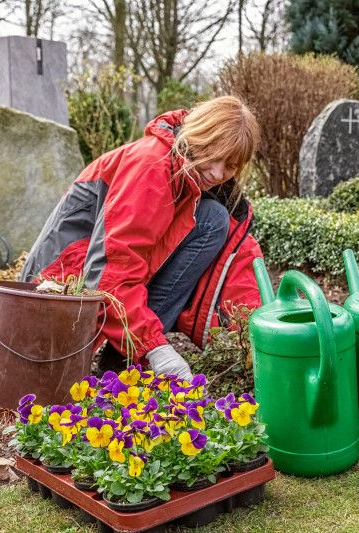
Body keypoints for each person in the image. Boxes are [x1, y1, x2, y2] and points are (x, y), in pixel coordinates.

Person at [19, 95, 264, 382]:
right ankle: (125, 360)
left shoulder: (195, 176)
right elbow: (109, 273)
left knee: (214, 219)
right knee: (212, 219)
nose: (217, 172)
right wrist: (154, 348)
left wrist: (258, 336)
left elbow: (240, 266)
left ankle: (123, 356)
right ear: (198, 134)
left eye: (231, 166)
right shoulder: (152, 165)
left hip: (93, 288)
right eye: (214, 155)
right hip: (53, 296)